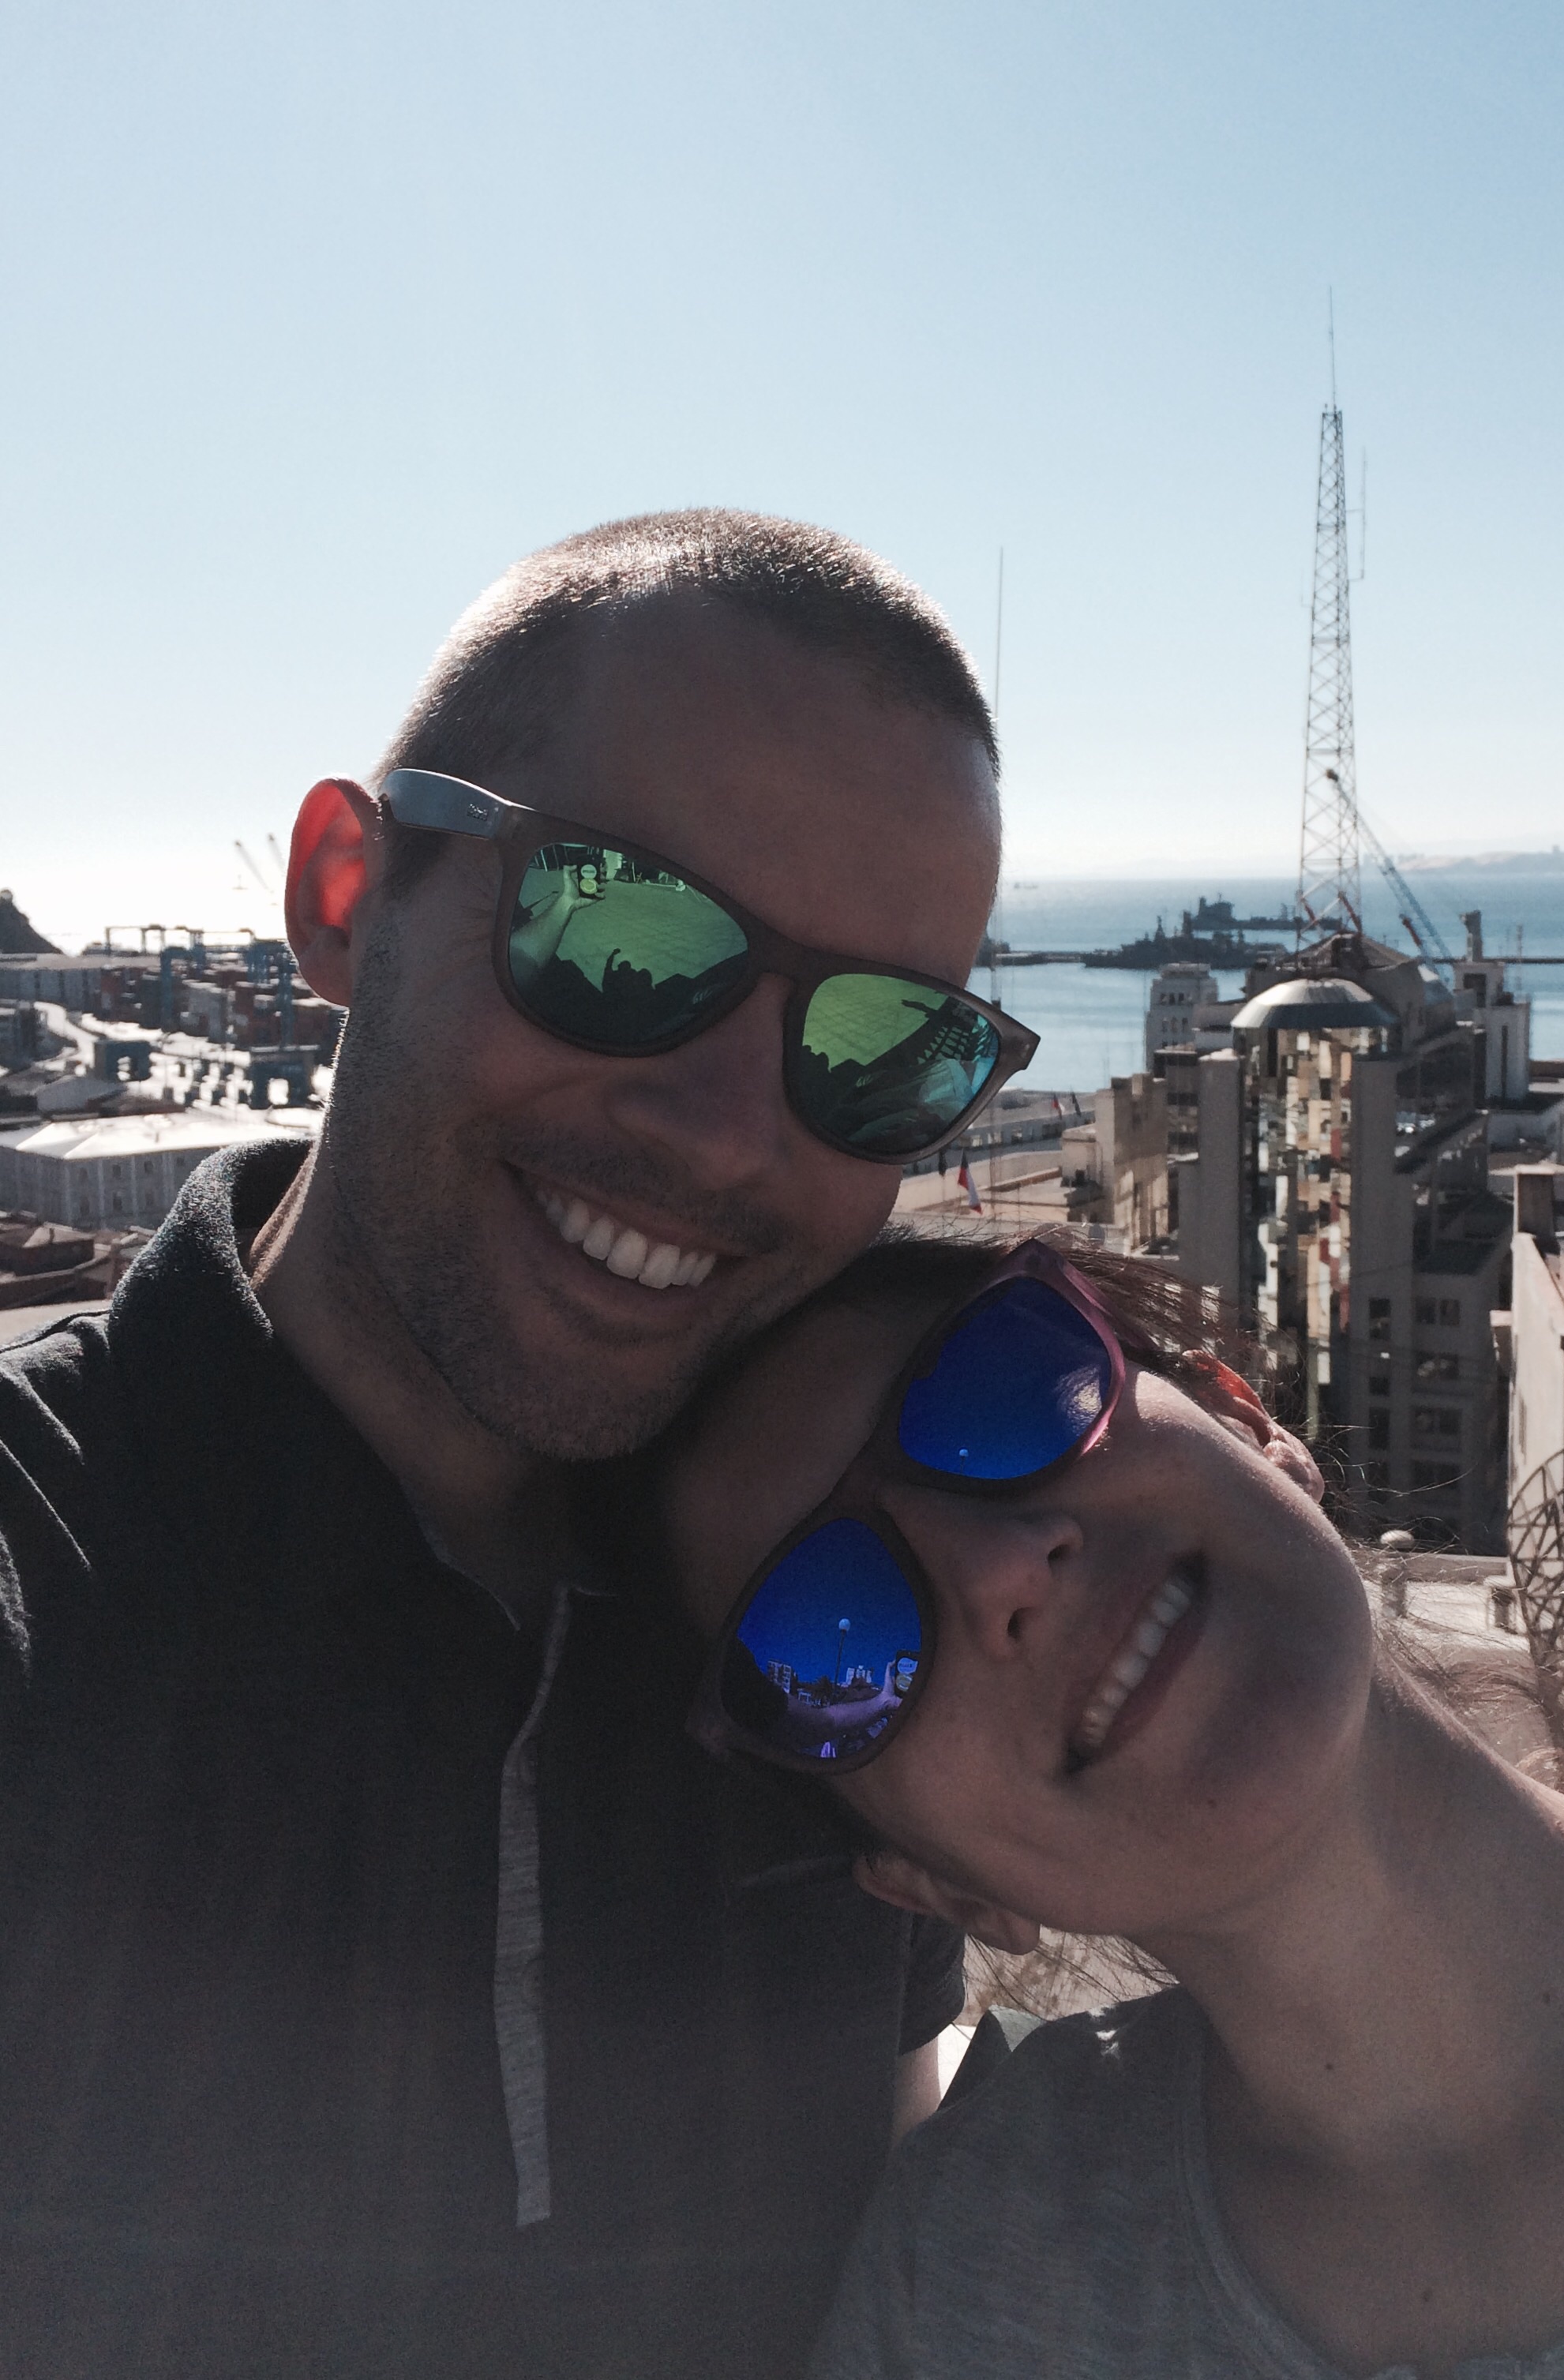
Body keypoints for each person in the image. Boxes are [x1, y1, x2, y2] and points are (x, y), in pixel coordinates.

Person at [0, 512, 1036, 2378]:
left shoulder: (815, 1598)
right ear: (344, 894)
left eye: (881, 1048)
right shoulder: (43, 1559)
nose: (727, 1135)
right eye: (619, 935)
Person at [661, 1231, 1564, 2380]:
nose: (1000, 1566)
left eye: (1002, 1391)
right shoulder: (966, 2272)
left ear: (1243, 1416)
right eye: (822, 1638)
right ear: (937, 1884)